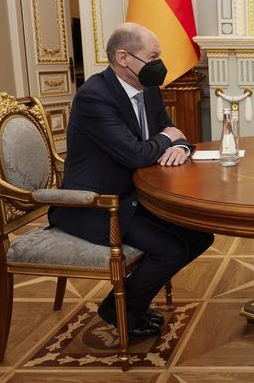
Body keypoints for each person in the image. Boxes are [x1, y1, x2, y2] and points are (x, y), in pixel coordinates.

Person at [49, 23, 214, 339]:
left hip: (133, 196)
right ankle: (120, 309)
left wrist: (177, 146)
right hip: (96, 204)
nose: (159, 64)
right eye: (152, 56)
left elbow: (171, 132)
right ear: (124, 58)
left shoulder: (147, 89)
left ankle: (130, 303)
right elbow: (136, 154)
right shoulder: (94, 97)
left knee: (200, 235)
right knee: (171, 249)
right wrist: (168, 138)